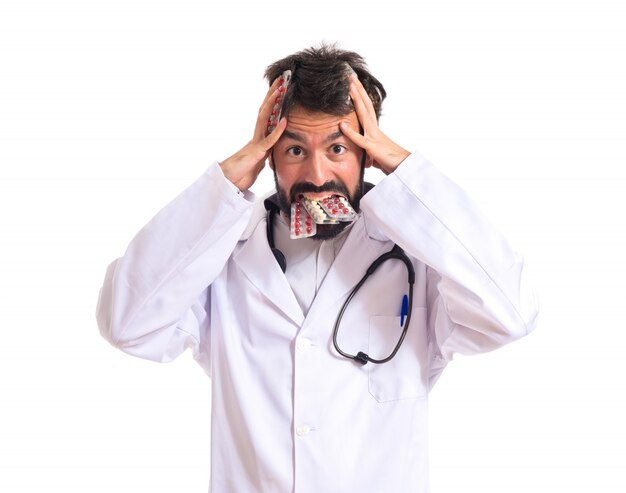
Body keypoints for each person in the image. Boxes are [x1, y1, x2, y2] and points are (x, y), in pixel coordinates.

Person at [96, 44, 538, 493]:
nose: (317, 173)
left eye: (338, 147)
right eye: (293, 150)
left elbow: (511, 313)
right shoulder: (223, 258)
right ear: (268, 156)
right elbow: (127, 323)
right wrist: (224, 185)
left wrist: (405, 171)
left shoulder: (417, 261)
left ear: (368, 154)